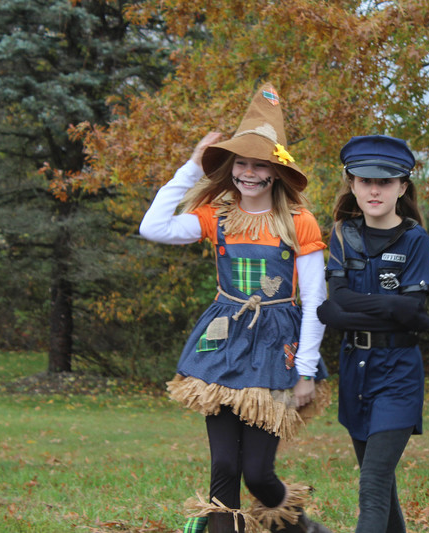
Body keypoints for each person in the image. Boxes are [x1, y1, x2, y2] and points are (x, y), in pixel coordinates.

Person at [139, 83, 332, 533]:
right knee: (223, 466)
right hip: (222, 346)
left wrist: (305, 370)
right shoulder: (217, 216)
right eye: (241, 163)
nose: (248, 173)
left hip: (275, 348)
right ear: (231, 168)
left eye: (259, 165)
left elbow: (316, 299)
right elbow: (154, 226)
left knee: (258, 473)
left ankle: (301, 526)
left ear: (274, 172)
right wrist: (190, 167)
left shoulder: (298, 222)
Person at [316, 135, 429, 533]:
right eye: (365, 181)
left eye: (385, 182)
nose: (374, 189)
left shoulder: (414, 239)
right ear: (352, 184)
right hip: (356, 370)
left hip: (398, 372)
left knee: (372, 482)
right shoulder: (342, 234)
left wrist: (347, 310)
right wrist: (391, 308)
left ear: (402, 187)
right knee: (382, 486)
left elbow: (410, 310)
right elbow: (338, 302)